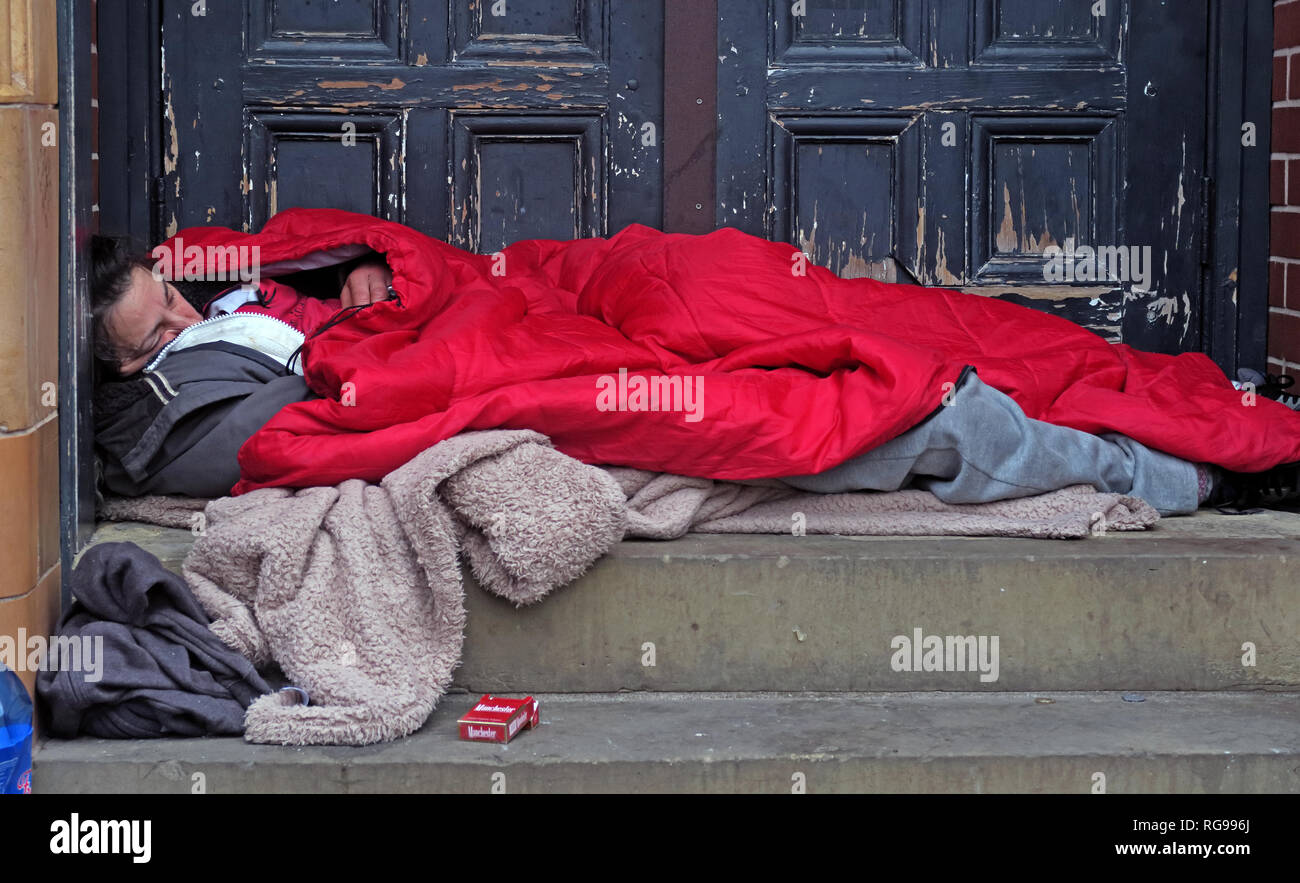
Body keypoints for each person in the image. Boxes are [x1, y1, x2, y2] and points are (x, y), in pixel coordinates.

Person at [88, 231, 1300, 513]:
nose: (185, 320)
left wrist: (368, 283)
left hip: (547, 298)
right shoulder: (173, 415)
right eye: (158, 333)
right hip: (537, 365)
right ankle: (1185, 473)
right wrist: (375, 357)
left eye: (177, 295)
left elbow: (395, 263)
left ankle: (1177, 417)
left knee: (744, 294)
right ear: (124, 368)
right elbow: (322, 431)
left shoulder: (224, 278)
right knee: (846, 406)